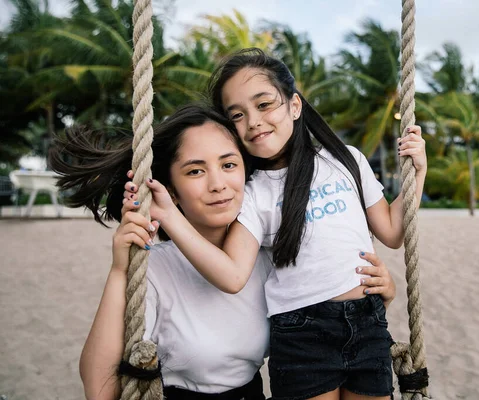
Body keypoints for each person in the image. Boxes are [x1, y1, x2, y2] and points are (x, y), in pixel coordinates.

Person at [124, 48, 427, 400]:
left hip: (368, 323)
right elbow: (232, 275)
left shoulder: (347, 159)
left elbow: (392, 232)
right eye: (237, 114)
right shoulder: (254, 194)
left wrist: (417, 175)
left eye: (264, 104)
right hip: (302, 335)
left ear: (294, 106)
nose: (253, 120)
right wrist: (170, 217)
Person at [49, 104, 398, 400]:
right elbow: (99, 390)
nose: (218, 184)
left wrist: (382, 288)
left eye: (229, 165)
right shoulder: (154, 269)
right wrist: (119, 272)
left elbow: (332, 314)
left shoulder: (269, 255)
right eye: (196, 170)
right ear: (170, 188)